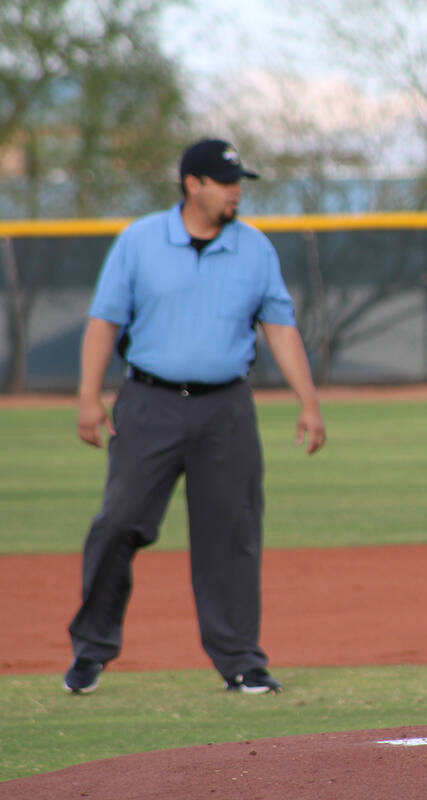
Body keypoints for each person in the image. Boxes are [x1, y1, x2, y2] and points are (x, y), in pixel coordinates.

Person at [63, 138, 326, 695]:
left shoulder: (254, 249)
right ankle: (90, 651)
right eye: (227, 182)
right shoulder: (140, 240)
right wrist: (88, 396)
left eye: (239, 183)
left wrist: (308, 401)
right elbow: (105, 321)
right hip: (149, 402)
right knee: (118, 523)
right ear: (193, 185)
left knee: (231, 533)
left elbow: (279, 325)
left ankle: (241, 661)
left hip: (226, 407)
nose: (236, 192)